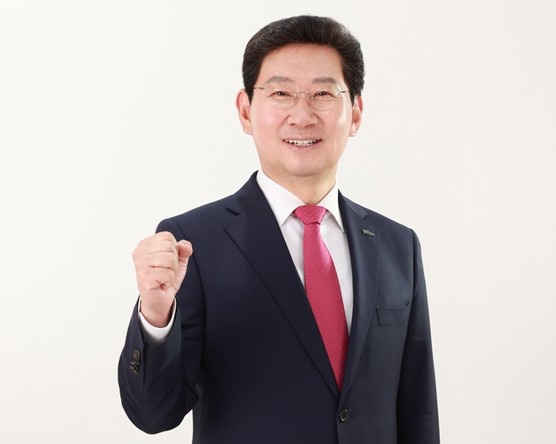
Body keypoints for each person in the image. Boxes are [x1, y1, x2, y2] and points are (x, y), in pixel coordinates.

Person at [118, 15, 439, 444]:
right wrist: (156, 315)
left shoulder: (397, 245)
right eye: (281, 93)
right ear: (246, 110)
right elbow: (153, 413)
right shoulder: (194, 244)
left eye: (323, 93)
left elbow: (417, 412)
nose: (302, 116)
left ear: (356, 113)